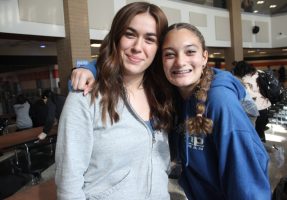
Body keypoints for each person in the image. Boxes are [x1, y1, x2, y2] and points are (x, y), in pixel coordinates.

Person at [71, 23, 271, 199]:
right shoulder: (173, 94)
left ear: (205, 57)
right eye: (169, 54)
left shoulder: (220, 102)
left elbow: (247, 184)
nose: (180, 62)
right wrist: (92, 68)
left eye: (190, 52)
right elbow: (130, 62)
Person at [55, 2, 174, 200]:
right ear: (116, 38)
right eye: (130, 34)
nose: (137, 47)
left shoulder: (163, 95)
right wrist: (93, 68)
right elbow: (68, 181)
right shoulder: (86, 97)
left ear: (159, 48)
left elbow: (195, 73)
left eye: (150, 39)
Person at [233, 61, 271, 143]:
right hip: (264, 107)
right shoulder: (259, 73)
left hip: (253, 109)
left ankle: (257, 152)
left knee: (252, 134)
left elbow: (246, 95)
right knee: (260, 132)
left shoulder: (244, 79)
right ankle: (262, 151)